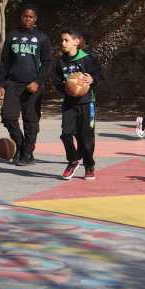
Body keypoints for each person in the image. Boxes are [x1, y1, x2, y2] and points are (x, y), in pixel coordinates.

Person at [0, 5, 53, 166]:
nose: (27, 19)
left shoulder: (42, 38)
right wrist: (1, 84)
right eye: (25, 16)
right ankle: (21, 146)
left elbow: (48, 62)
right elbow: (5, 62)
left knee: (31, 121)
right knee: (7, 117)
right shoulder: (12, 36)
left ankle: (27, 153)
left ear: (35, 19)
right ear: (21, 17)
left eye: (31, 17)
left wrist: (38, 81)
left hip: (32, 86)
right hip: (13, 84)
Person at [55, 28, 102, 180]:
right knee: (66, 134)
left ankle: (89, 166)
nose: (63, 43)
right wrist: (66, 87)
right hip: (69, 104)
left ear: (76, 41)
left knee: (87, 137)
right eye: (62, 40)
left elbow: (100, 74)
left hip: (87, 103)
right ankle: (73, 160)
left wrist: (92, 79)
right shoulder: (60, 62)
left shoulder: (88, 59)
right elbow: (56, 82)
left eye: (66, 40)